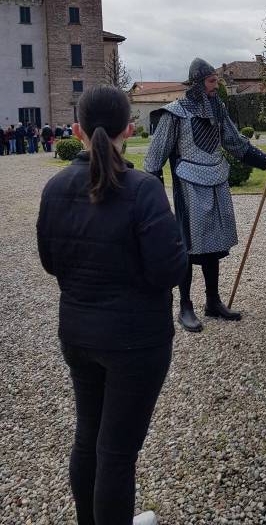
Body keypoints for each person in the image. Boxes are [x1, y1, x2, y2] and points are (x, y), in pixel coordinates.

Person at [36, 86, 187, 525]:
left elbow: (50, 262)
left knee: (89, 437)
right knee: (117, 452)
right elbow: (169, 270)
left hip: (78, 333)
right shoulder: (142, 189)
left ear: (77, 130)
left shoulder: (55, 186)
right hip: (135, 342)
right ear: (130, 128)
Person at [144, 57, 266, 333]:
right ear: (197, 83)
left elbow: (234, 142)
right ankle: (185, 306)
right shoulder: (175, 113)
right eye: (212, 81)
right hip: (188, 185)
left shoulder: (217, 109)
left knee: (214, 245)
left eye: (216, 81)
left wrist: (264, 161)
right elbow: (154, 157)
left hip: (216, 178)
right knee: (188, 246)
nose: (216, 86)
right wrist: (154, 195)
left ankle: (213, 301)